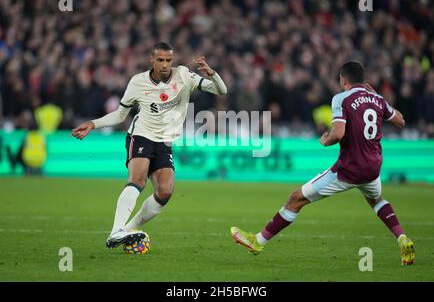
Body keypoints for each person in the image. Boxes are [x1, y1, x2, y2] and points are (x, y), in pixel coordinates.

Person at [231, 61, 416, 265]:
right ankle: (402, 238)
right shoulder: (377, 99)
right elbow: (400, 121)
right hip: (373, 167)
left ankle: (258, 241)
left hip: (349, 169)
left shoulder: (341, 98)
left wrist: (326, 139)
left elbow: (338, 133)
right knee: (377, 200)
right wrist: (379, 97)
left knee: (296, 199)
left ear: (343, 79)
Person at [71, 42, 228, 248]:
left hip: (164, 141)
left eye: (168, 60)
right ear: (152, 60)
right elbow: (120, 114)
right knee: (138, 179)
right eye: (160, 60)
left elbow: (221, 90)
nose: (165, 65)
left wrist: (212, 74)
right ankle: (116, 230)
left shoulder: (184, 75)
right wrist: (94, 124)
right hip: (141, 136)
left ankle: (126, 230)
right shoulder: (138, 82)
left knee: (165, 191)